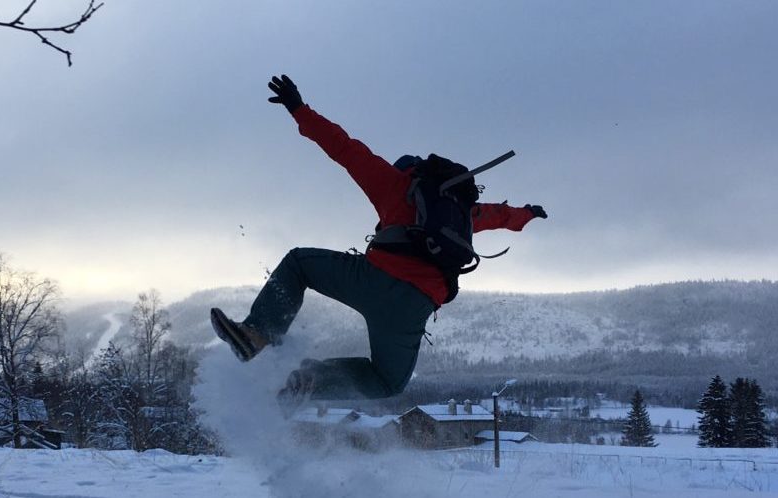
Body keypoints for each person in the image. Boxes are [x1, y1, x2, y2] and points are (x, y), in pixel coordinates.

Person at [211, 75, 547, 409]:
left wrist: (298, 109)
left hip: (373, 279)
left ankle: (256, 334)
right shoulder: (464, 213)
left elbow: (343, 147)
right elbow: (498, 215)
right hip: (415, 306)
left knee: (299, 264)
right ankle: (312, 380)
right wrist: (527, 214)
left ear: (407, 172)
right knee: (387, 381)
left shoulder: (393, 183)